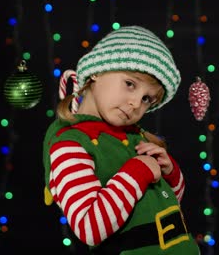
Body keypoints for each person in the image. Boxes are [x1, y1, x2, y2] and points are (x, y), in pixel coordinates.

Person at [42, 25, 200, 254]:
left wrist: (170, 173)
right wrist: (138, 171)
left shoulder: (135, 137)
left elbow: (166, 205)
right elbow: (90, 228)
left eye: (147, 98)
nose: (136, 103)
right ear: (97, 70)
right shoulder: (71, 144)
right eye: (130, 84)